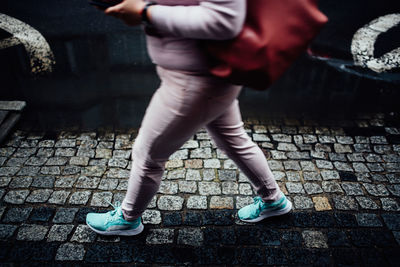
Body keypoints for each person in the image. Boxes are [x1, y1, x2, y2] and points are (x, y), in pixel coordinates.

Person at [86, 0, 292, 236]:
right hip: (208, 76)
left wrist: (146, 12)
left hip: (195, 83)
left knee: (148, 154)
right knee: (234, 140)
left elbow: (224, 20)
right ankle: (273, 200)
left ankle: (126, 219)